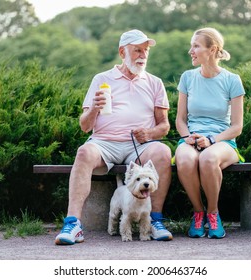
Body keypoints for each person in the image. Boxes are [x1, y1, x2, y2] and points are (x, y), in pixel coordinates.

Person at [55, 29, 173, 245]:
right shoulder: (101, 79)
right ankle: (72, 224)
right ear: (122, 52)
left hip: (139, 145)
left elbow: (164, 125)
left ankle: (155, 220)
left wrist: (150, 133)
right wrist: (94, 110)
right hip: (104, 143)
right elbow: (84, 126)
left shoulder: (155, 82)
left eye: (146, 50)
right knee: (83, 152)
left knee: (163, 152)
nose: (143, 55)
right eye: (137, 50)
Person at [175, 27, 245, 239]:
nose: (191, 51)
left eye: (196, 46)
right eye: (191, 46)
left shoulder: (232, 80)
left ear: (212, 49)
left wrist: (212, 139)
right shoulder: (187, 77)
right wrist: (187, 136)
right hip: (191, 139)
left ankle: (213, 213)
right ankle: (198, 212)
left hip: (223, 142)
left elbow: (237, 127)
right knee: (185, 160)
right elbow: (180, 119)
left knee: (207, 158)